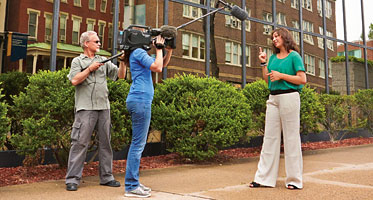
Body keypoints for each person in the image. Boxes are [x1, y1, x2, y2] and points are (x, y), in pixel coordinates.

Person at [65, 31, 126, 191]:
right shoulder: (77, 61)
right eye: (96, 41)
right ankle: (72, 179)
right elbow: (74, 80)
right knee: (79, 143)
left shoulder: (103, 61)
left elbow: (120, 76)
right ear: (86, 43)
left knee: (106, 144)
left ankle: (107, 177)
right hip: (85, 108)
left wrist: (123, 62)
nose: (99, 44)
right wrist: (89, 69)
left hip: (104, 108)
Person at [250, 27, 307, 190]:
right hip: (273, 98)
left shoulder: (294, 56)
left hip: (290, 96)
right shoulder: (273, 58)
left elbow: (302, 79)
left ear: (285, 37)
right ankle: (263, 178)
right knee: (269, 138)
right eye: (273, 37)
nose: (274, 39)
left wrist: (282, 76)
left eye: (277, 36)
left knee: (291, 139)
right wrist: (263, 63)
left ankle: (294, 180)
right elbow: (268, 81)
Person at [123, 34, 173, 198]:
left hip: (140, 100)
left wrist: (168, 50)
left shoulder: (140, 54)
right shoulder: (138, 52)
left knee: (138, 144)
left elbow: (161, 64)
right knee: (137, 144)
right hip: (140, 100)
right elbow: (157, 68)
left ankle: (134, 183)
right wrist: (158, 49)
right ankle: (131, 186)